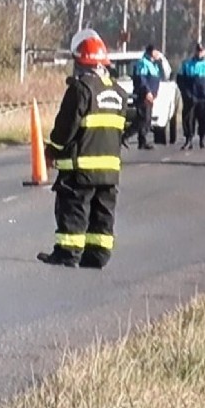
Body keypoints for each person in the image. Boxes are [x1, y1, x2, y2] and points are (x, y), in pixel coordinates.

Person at [37, 29, 128, 269]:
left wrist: (52, 150)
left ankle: (68, 253)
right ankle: (97, 256)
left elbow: (65, 128)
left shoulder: (80, 90)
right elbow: (126, 126)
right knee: (103, 213)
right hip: (109, 171)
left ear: (80, 63)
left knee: (74, 209)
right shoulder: (120, 93)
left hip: (81, 170)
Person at [176, 42, 205, 149]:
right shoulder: (186, 64)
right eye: (198, 51)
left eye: (201, 51)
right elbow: (180, 79)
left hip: (203, 97)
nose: (199, 53)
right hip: (190, 97)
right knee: (188, 119)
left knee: (203, 118)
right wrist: (186, 93)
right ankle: (188, 140)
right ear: (195, 51)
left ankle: (202, 139)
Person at [131, 44, 162, 150]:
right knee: (144, 118)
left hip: (151, 96)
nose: (158, 54)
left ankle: (142, 141)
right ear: (151, 52)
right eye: (156, 51)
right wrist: (147, 92)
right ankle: (132, 138)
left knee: (145, 119)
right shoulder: (143, 63)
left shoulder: (154, 64)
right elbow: (142, 79)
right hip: (143, 95)